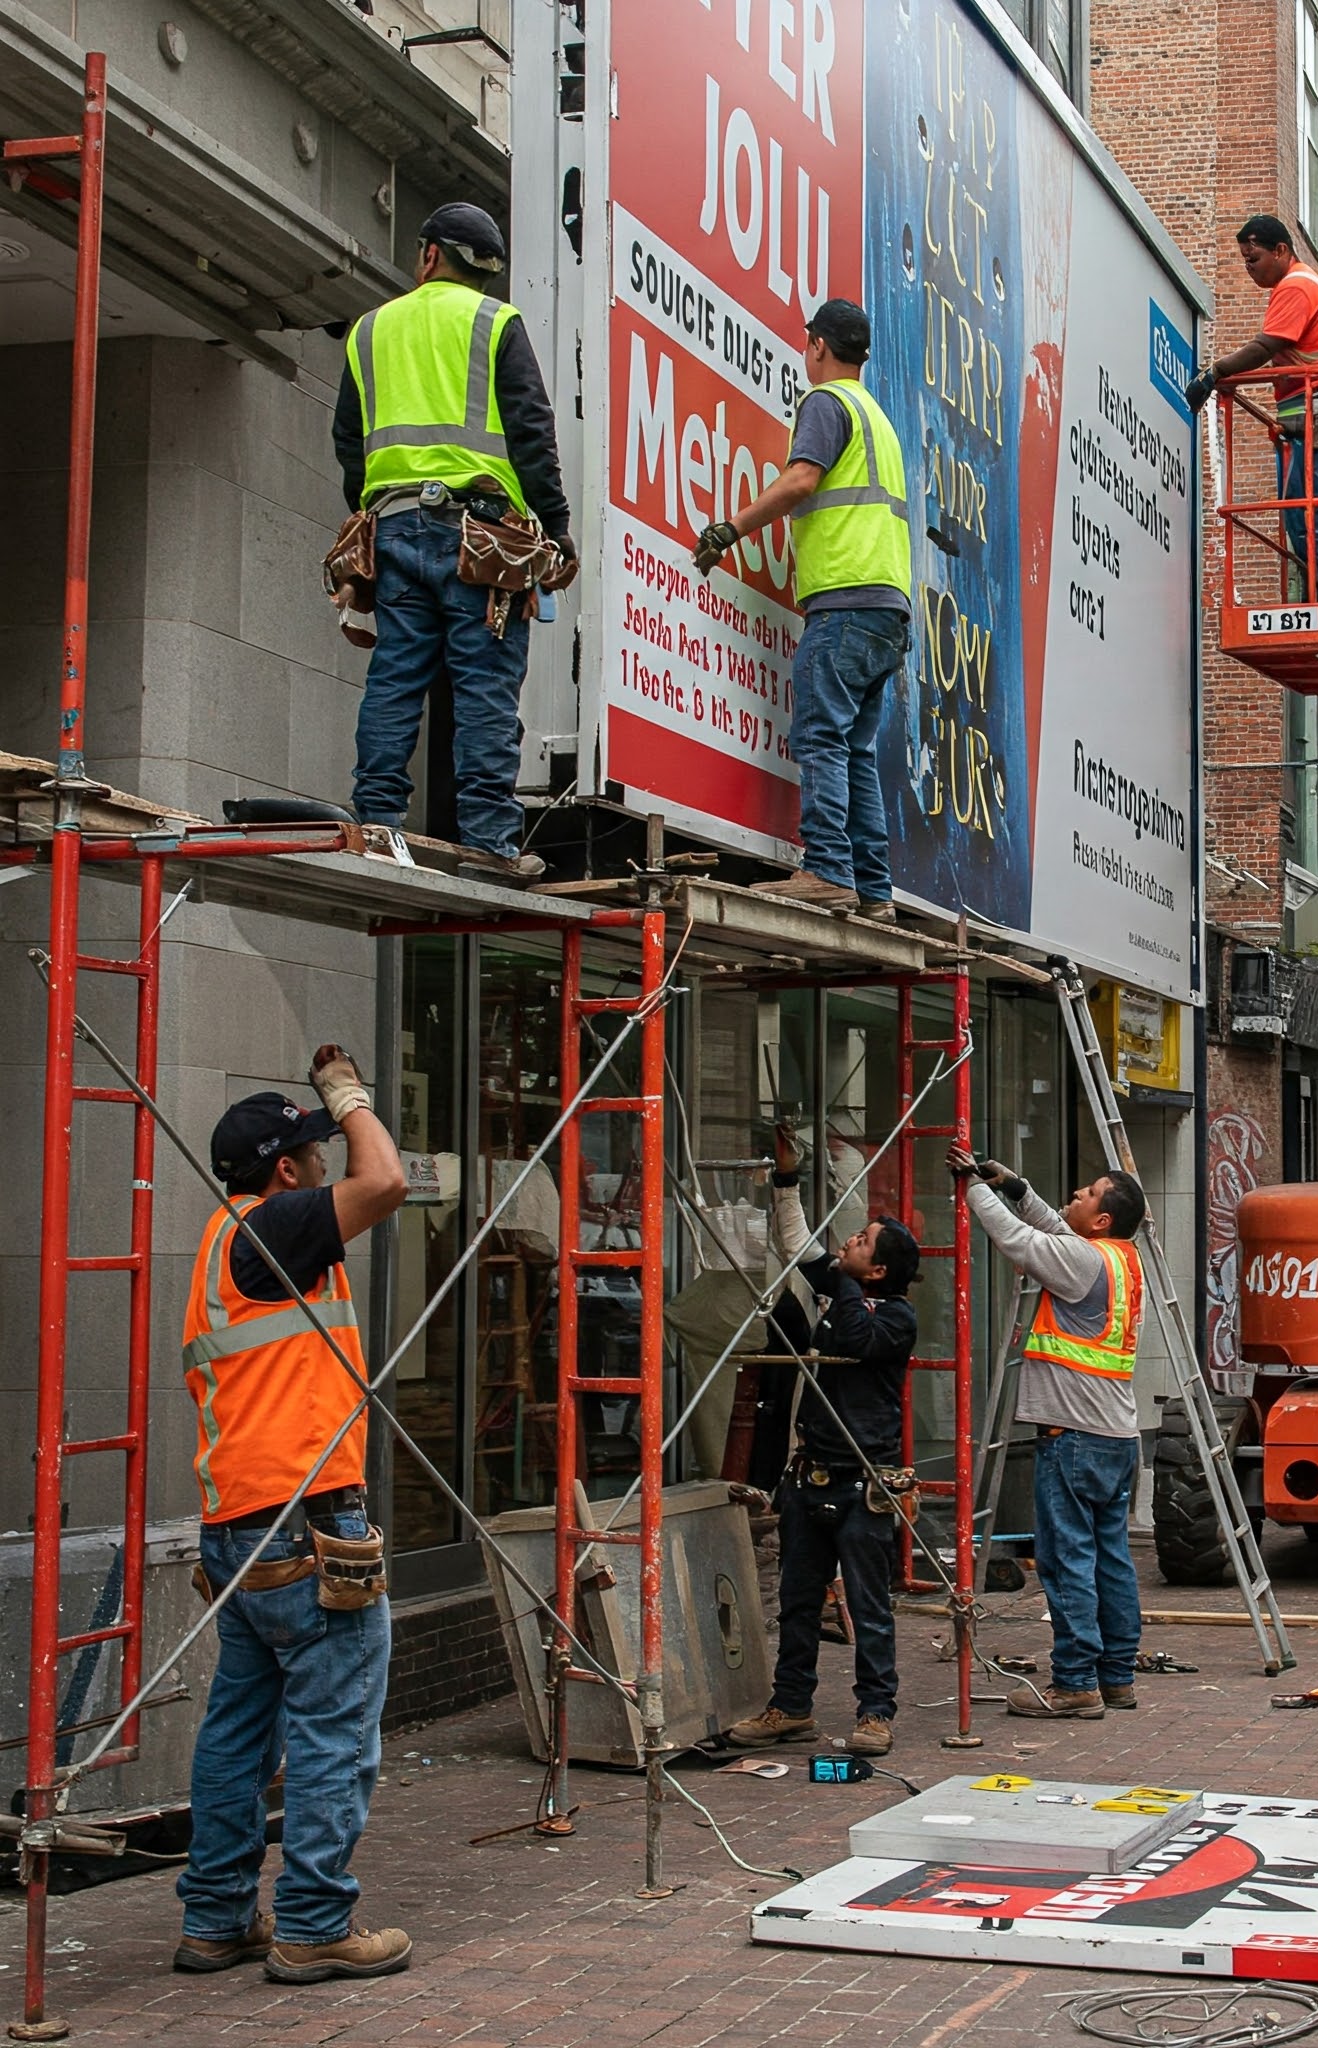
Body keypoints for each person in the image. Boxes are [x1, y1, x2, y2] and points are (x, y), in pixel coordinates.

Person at [174, 1050, 411, 1983]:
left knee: (238, 1728)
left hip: (237, 1523)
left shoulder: (221, 1238)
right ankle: (313, 1924)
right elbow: (386, 1178)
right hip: (308, 1524)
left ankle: (217, 1918)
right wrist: (347, 1093)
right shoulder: (278, 1225)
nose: (325, 1163)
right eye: (313, 1153)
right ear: (285, 1170)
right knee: (333, 1730)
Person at [334, 203, 576, 883]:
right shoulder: (496, 323)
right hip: (481, 539)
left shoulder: (368, 330)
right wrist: (555, 528)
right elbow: (532, 432)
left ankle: (377, 821)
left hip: (393, 527)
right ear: (485, 270)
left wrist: (368, 517)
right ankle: (492, 842)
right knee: (484, 689)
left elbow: (349, 445)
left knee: (394, 679)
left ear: (429, 254)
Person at [691, 299, 912, 920]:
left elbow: (801, 481)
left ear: (817, 346)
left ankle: (827, 871)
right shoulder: (877, 419)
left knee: (819, 734)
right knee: (855, 750)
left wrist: (730, 529)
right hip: (886, 609)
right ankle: (872, 891)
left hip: (843, 601)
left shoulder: (826, 403)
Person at [725, 1124, 921, 1758]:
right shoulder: (842, 1291)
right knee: (799, 1601)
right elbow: (795, 1243)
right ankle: (792, 1706)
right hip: (810, 1475)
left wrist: (837, 1283)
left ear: (880, 1268)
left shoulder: (893, 1317)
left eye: (861, 1242)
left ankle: (875, 1713)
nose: (849, 1239)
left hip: (865, 1479)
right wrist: (787, 1180)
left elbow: (857, 1342)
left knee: (868, 1607)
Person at [949, 1142, 1148, 1719]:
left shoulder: (1082, 1260)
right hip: (1115, 1436)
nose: (1076, 1196)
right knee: (1111, 1558)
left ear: (1103, 1218)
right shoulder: (1118, 1258)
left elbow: (1022, 1241)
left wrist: (975, 1191)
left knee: (1066, 1561)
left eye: (1086, 1194)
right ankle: (1115, 1676)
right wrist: (1014, 1186)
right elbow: (1053, 1227)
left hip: (1074, 1437)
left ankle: (1074, 1683)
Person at [1183, 217, 1318, 604]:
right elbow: (1283, 357)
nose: (1249, 268)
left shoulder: (1295, 285)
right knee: (1303, 517)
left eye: (1254, 258)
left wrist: (1215, 372)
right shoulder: (1298, 284)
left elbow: (1265, 347)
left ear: (1281, 250)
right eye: (1245, 261)